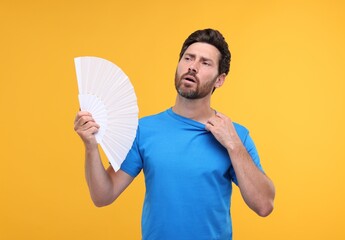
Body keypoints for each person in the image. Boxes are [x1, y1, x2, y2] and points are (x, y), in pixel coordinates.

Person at [74, 28, 275, 240]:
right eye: (188, 58)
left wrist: (233, 145)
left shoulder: (236, 136)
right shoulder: (144, 130)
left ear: (219, 80)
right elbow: (103, 195)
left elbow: (264, 205)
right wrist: (90, 146)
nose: (193, 67)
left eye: (205, 63)